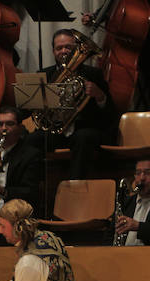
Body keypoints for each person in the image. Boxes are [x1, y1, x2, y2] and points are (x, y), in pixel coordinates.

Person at [27, 29, 118, 180]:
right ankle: (34, 188)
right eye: (59, 48)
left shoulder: (93, 74)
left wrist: (100, 96)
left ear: (76, 49)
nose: (63, 51)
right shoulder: (43, 75)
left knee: (83, 138)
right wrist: (36, 101)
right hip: (56, 132)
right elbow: (29, 111)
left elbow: (111, 113)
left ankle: (76, 186)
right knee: (32, 139)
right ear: (53, 51)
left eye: (68, 47)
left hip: (85, 130)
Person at [0, 105, 43, 212]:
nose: (3, 128)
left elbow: (30, 192)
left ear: (20, 127)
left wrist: (0, 190)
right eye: (0, 124)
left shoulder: (31, 155)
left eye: (9, 124)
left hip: (12, 208)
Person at [117, 157, 150, 246]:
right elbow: (110, 234)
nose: (142, 178)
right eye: (138, 173)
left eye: (148, 173)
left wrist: (138, 227)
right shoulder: (126, 203)